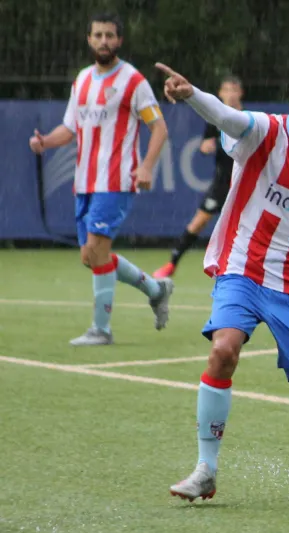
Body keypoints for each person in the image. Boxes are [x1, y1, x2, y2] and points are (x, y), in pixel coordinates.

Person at [158, 57, 289, 503]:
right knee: (223, 350)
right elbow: (225, 116)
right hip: (243, 267)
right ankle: (206, 469)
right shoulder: (263, 131)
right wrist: (190, 93)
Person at [28, 12, 173, 345]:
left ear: (119, 40)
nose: (104, 41)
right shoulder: (82, 80)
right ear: (89, 39)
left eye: (110, 35)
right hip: (85, 182)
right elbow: (70, 127)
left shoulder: (133, 81)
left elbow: (159, 126)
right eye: (98, 35)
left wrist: (147, 166)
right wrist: (46, 142)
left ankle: (101, 329)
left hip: (117, 180)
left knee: (96, 249)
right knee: (92, 257)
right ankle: (155, 289)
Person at [154, 76, 245, 279]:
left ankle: (242, 272)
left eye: (234, 90)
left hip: (243, 185)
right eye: (226, 90)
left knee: (244, 230)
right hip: (222, 183)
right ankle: (172, 264)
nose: (230, 94)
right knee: (198, 223)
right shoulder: (216, 119)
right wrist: (206, 146)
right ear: (220, 94)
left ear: (240, 93)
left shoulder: (249, 119)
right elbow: (205, 144)